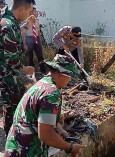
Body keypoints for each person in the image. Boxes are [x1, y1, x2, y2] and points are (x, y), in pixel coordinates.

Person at [5, 54, 85, 157]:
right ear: (60, 73)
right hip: (27, 151)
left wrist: (60, 130)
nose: (69, 80)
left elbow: (42, 118)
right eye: (69, 76)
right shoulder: (51, 94)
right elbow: (46, 135)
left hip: (15, 148)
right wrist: (70, 147)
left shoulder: (41, 85)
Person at [0, 0, 35, 136]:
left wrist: (27, 25)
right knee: (12, 107)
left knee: (12, 105)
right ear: (20, 9)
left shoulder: (9, 20)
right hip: (7, 75)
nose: (29, 14)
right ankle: (12, 137)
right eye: (28, 11)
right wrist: (26, 69)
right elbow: (11, 59)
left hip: (11, 73)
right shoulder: (8, 25)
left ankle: (13, 134)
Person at [21, 7, 46, 74]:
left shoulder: (37, 21)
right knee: (30, 56)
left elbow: (38, 31)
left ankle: (43, 71)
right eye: (34, 12)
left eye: (35, 12)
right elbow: (23, 33)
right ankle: (31, 72)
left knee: (40, 56)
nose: (35, 13)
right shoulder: (25, 21)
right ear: (30, 12)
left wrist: (40, 42)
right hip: (29, 39)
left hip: (36, 39)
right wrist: (25, 44)